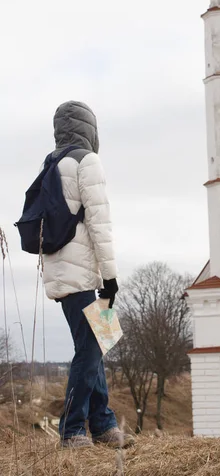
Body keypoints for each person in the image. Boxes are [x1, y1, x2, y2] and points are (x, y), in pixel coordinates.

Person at [42, 100, 133, 449]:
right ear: (90, 129)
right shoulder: (86, 161)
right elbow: (99, 223)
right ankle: (73, 430)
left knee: (93, 344)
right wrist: (110, 277)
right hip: (84, 275)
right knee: (92, 347)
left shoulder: (51, 164)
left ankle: (104, 425)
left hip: (61, 273)